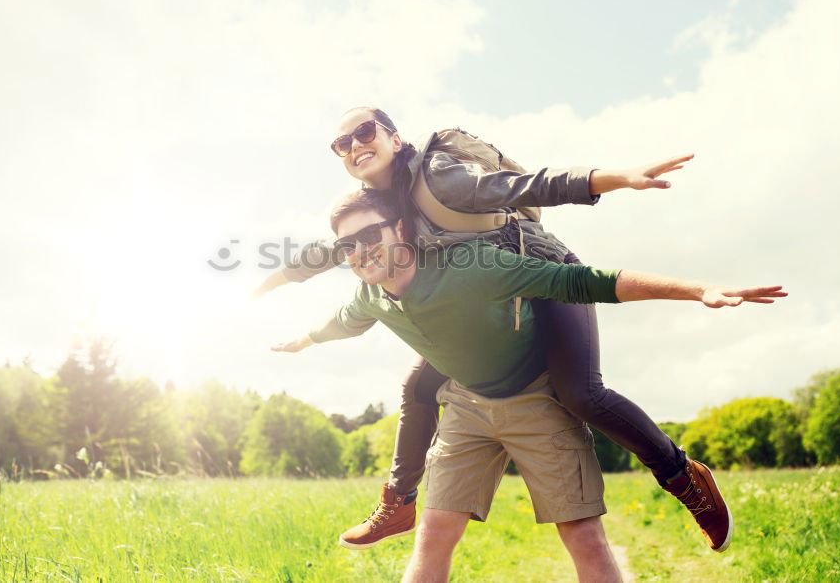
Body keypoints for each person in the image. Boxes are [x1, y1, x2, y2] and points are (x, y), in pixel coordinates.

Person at [256, 106, 729, 551]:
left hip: (539, 271)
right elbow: (327, 252)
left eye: (365, 132)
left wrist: (615, 178)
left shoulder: (440, 178)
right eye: (341, 143)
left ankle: (681, 476)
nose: (355, 144)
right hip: (482, 294)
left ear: (394, 138)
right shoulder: (374, 207)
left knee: (581, 395)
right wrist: (265, 285)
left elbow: (524, 187)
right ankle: (397, 506)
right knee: (417, 387)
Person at [273, 188, 786, 580]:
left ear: (401, 228)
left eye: (370, 234)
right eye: (346, 245)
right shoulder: (370, 298)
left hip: (538, 397)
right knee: (431, 539)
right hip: (467, 410)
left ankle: (683, 475)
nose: (360, 251)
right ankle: (396, 503)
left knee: (583, 537)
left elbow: (585, 282)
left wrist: (699, 290)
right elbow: (340, 322)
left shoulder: (470, 269)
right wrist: (303, 341)